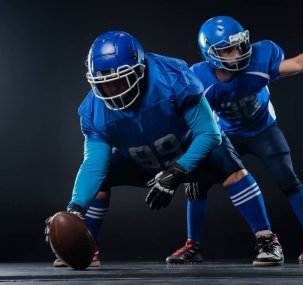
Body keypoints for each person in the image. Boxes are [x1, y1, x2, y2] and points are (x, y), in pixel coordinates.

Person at [47, 30, 285, 268]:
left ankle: (267, 239)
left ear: (139, 70)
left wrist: (178, 171)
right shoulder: (92, 109)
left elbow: (209, 133)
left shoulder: (173, 77)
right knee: (100, 180)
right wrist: (75, 209)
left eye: (120, 81)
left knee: (229, 164)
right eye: (104, 83)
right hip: (143, 161)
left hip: (189, 151)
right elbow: (93, 164)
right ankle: (90, 247)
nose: (112, 91)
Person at [165, 16, 303, 264]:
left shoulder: (260, 57)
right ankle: (192, 246)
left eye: (240, 45)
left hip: (263, 129)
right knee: (196, 185)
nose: (238, 52)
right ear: (210, 53)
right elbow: (184, 116)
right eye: (228, 49)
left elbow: (296, 64)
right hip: (227, 135)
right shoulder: (198, 77)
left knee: (288, 180)